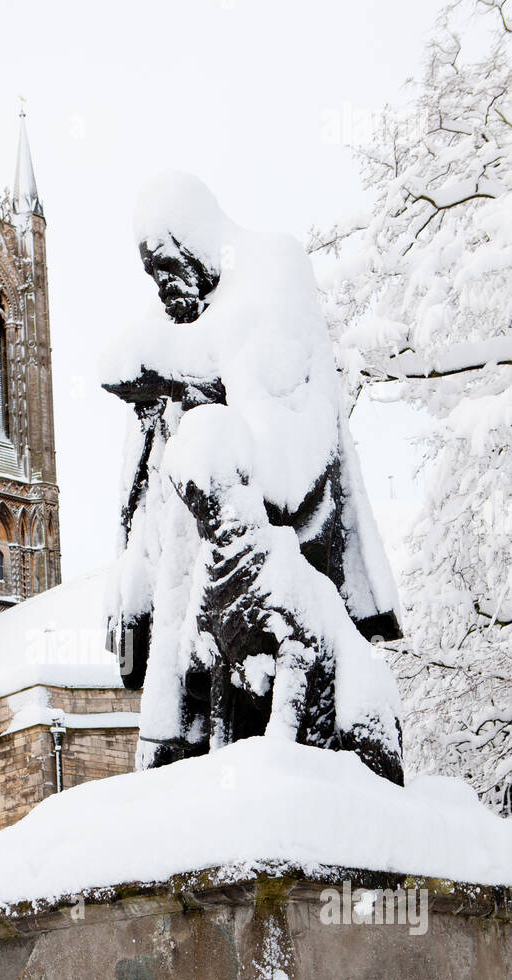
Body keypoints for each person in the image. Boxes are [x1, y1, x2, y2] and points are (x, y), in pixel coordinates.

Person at [102, 172, 404, 784]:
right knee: (170, 755)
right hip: (188, 570)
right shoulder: (188, 331)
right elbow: (153, 487)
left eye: (167, 267)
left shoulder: (270, 275)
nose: (163, 290)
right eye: (151, 277)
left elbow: (292, 468)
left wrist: (178, 373)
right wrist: (130, 579)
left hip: (279, 556)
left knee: (262, 741)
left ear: (195, 244)